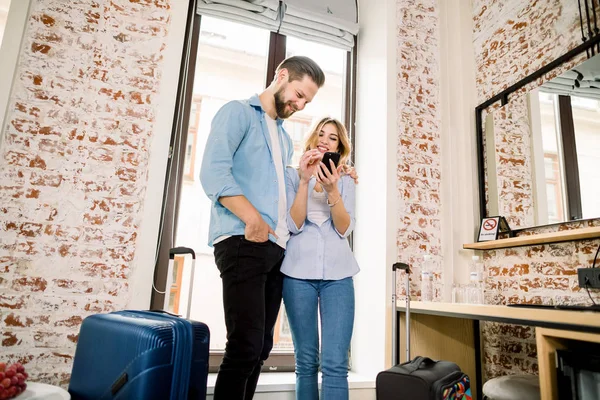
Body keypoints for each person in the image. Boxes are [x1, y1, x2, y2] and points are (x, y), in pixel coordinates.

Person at [199, 56, 325, 399]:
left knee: (261, 348)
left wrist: (301, 177)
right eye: (298, 94)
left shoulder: (283, 138)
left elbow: (278, 196)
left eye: (305, 102)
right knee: (245, 344)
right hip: (242, 240)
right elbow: (213, 173)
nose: (298, 105)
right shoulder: (237, 113)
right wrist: (252, 219)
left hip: (273, 249)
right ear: (281, 76)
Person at [282, 117, 359, 400]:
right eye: (322, 134)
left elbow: (344, 228)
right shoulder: (292, 176)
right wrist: (304, 181)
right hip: (297, 274)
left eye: (334, 138)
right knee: (305, 363)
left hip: (338, 277)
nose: (326, 140)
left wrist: (332, 189)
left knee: (335, 364)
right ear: (313, 139)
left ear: (340, 147)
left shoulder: (347, 179)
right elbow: (294, 224)